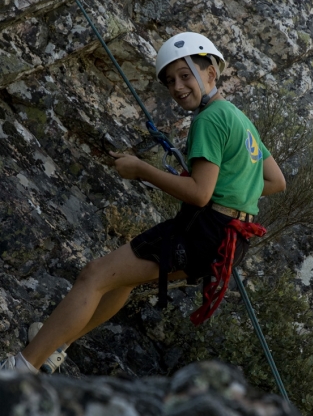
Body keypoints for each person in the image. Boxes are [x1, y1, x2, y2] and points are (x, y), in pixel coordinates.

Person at [0, 32, 286, 374]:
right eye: (170, 81)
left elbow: (199, 194)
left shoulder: (209, 120)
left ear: (211, 71)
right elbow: (274, 181)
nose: (177, 87)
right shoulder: (239, 119)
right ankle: (56, 344)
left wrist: (141, 170)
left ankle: (19, 369)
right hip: (230, 240)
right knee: (123, 278)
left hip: (205, 230)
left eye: (185, 75)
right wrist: (232, 189)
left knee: (94, 275)